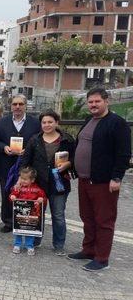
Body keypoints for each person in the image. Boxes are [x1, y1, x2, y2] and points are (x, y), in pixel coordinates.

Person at [68, 87, 131, 271]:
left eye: (97, 101)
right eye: (90, 102)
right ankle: (88, 250)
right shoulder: (89, 120)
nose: (93, 105)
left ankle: (102, 258)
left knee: (104, 220)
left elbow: (123, 153)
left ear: (106, 101)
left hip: (104, 182)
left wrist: (117, 177)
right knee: (87, 217)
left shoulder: (117, 123)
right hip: (85, 180)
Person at [20, 109, 75, 255]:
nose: (47, 125)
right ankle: (35, 241)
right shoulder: (34, 140)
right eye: (44, 122)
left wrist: (68, 164)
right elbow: (25, 161)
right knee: (37, 214)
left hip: (59, 184)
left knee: (58, 215)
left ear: (57, 122)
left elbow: (75, 159)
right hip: (38, 185)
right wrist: (24, 179)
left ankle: (58, 245)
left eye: (50, 122)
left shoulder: (67, 140)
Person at [0, 94, 40, 233]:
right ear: (10, 106)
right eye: (14, 104)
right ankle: (8, 221)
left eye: (20, 104)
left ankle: (24, 221)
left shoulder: (35, 123)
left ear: (25, 106)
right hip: (6, 164)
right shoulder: (1, 122)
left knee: (26, 192)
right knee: (7, 192)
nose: (17, 107)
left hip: (26, 165)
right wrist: (3, 147)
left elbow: (39, 141)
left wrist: (29, 150)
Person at [10, 167, 47, 255]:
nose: (22, 181)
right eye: (21, 178)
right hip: (20, 213)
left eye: (25, 179)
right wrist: (12, 197)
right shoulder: (18, 188)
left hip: (32, 214)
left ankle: (29, 245)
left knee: (30, 230)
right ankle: (17, 244)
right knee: (19, 229)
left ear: (32, 180)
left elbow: (43, 197)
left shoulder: (37, 189)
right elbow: (12, 194)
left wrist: (41, 199)